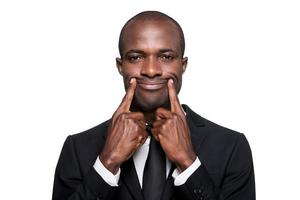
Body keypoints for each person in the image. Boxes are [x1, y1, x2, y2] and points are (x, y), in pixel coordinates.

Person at [52, 11, 255, 200]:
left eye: (166, 57)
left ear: (182, 65)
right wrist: (108, 162)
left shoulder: (231, 147)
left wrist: (188, 162)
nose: (150, 70)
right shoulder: (77, 148)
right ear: (120, 66)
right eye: (136, 57)